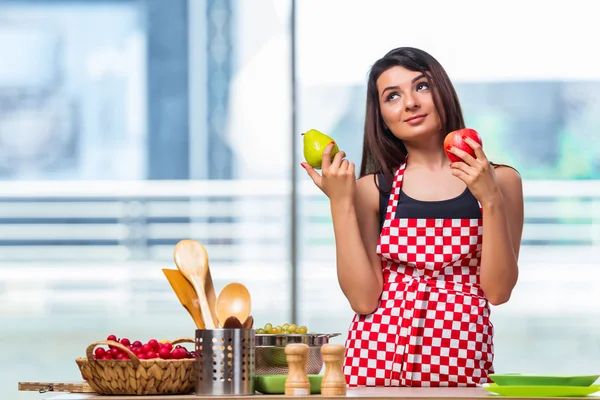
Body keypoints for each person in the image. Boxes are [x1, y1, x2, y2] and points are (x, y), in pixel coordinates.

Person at [301, 47, 524, 387]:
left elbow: (497, 291)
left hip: (462, 365)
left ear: (443, 92)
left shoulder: (502, 181)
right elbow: (363, 299)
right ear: (382, 117)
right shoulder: (371, 190)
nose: (410, 103)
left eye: (421, 86)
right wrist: (340, 202)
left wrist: (490, 199)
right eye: (392, 96)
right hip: (375, 363)